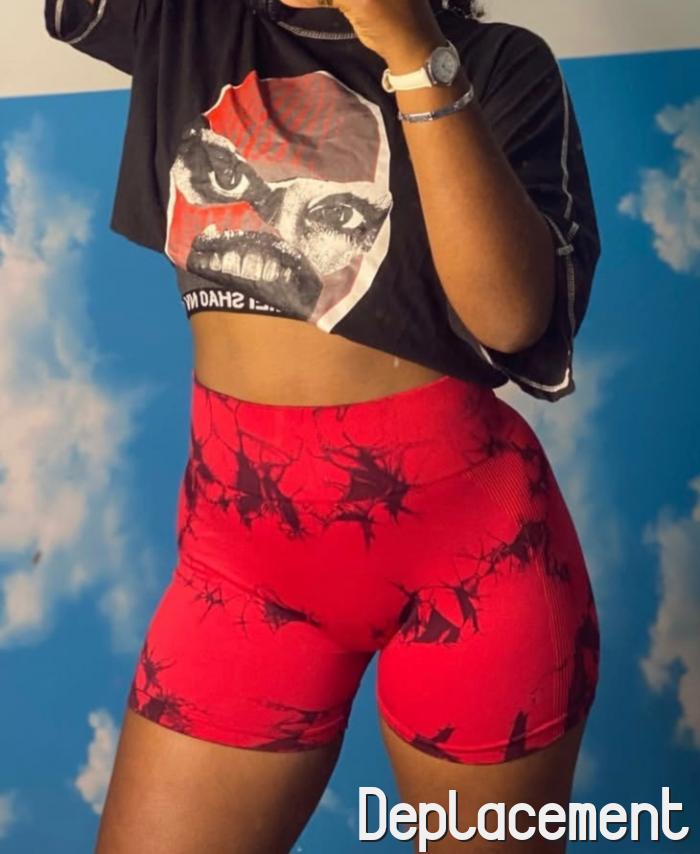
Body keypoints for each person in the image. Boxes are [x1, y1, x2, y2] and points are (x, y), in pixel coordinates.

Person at [46, 0, 602, 850]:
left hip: (475, 566)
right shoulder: (184, 23)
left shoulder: (497, 64)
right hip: (240, 573)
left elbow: (510, 319)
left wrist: (414, 51)